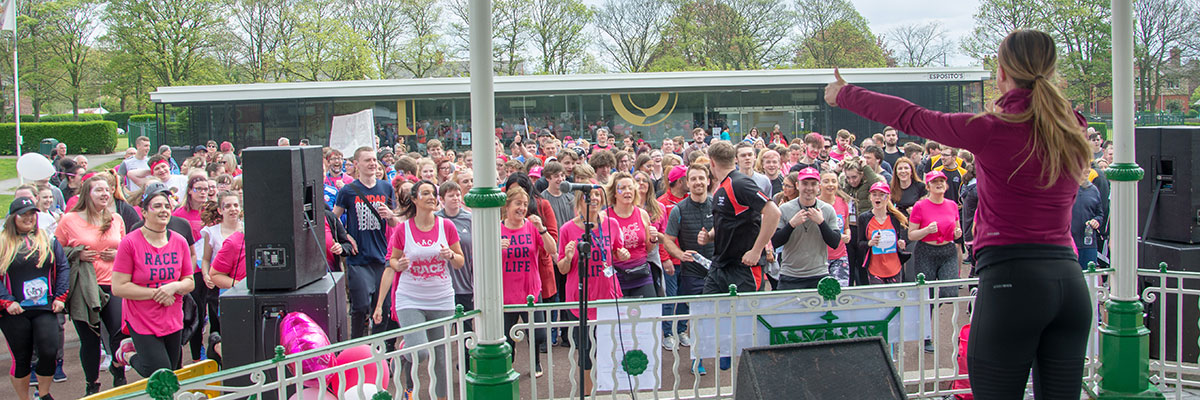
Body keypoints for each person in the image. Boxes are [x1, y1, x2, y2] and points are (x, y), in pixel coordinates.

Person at [825, 29, 1094, 398]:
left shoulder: (992, 128)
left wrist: (847, 94)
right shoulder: (1072, 126)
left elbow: (913, 117)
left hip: (1013, 280)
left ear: (1001, 72)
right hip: (1070, 283)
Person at [372, 180, 463, 400]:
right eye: (426, 193)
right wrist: (398, 265)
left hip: (441, 298)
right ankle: (406, 352)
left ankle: (441, 397)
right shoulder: (403, 229)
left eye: (434, 193)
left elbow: (460, 261)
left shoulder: (446, 227)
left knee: (441, 355)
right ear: (414, 199)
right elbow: (392, 261)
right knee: (420, 352)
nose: (432, 197)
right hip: (410, 298)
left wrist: (450, 256)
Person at [110, 187, 195, 379]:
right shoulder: (130, 243)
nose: (164, 210)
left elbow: (189, 282)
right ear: (144, 212)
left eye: (167, 206)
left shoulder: (179, 241)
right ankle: (127, 354)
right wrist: (158, 293)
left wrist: (174, 287)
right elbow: (119, 287)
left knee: (171, 372)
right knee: (158, 371)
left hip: (172, 315)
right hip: (142, 317)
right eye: (157, 206)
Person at [55, 175, 128, 394]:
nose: (105, 194)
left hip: (113, 284)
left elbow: (126, 248)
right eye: (99, 190)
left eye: (107, 190)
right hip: (84, 288)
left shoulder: (116, 219)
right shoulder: (69, 220)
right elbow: (56, 253)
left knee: (119, 332)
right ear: (87, 194)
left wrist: (117, 253)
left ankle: (119, 374)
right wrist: (76, 254)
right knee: (89, 339)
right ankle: (92, 384)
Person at [556, 181, 627, 395]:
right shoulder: (567, 229)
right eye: (589, 196)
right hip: (581, 299)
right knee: (585, 352)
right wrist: (568, 258)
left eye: (597, 195)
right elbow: (561, 268)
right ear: (579, 202)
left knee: (609, 348)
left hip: (608, 295)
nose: (593, 199)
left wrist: (622, 254)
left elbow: (617, 252)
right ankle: (587, 392)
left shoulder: (612, 224)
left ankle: (611, 390)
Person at [0, 197, 69, 400]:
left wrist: (60, 296)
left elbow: (63, 267)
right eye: (23, 214)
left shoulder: (47, 239)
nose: (28, 218)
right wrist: (7, 301)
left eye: (32, 214)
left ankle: (44, 394)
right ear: (13, 217)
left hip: (45, 307)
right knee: (22, 357)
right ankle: (24, 398)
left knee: (49, 351)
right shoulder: (3, 242)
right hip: (14, 311)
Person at [699, 142, 780, 294]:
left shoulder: (739, 183)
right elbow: (728, 221)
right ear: (735, 159)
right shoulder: (721, 187)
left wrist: (756, 250)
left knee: (745, 315)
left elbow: (773, 212)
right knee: (708, 312)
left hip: (743, 267)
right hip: (720, 265)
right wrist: (710, 236)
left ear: (712, 162)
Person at [334, 147, 399, 338]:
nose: (372, 164)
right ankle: (357, 344)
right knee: (360, 306)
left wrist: (390, 215)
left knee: (383, 307)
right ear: (356, 165)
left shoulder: (385, 188)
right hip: (358, 258)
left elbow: (395, 223)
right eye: (367, 160)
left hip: (381, 256)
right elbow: (333, 217)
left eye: (374, 160)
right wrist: (345, 235)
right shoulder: (348, 191)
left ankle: (380, 348)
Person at [661, 163, 714, 374]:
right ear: (687, 183)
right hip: (692, 272)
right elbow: (668, 239)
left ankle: (723, 353)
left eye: (702, 178)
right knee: (698, 316)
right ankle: (697, 358)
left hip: (717, 269)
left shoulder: (718, 205)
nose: (698, 182)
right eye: (694, 179)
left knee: (718, 314)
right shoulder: (678, 210)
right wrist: (679, 254)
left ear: (708, 180)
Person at [499, 186, 555, 377]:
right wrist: (496, 248)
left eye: (524, 204)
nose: (522, 208)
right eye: (518, 204)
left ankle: (536, 362)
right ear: (507, 205)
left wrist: (542, 229)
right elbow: (483, 260)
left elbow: (552, 249)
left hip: (530, 289)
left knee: (538, 334)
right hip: (507, 292)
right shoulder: (497, 229)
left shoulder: (531, 227)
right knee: (507, 336)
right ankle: (510, 362)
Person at [772, 167, 840, 290]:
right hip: (790, 275)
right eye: (805, 184)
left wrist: (821, 222)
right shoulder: (784, 209)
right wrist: (791, 224)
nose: (809, 188)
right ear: (797, 185)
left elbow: (835, 242)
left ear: (818, 187)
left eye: (813, 184)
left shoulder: (827, 209)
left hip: (818, 274)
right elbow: (775, 242)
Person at [605, 172, 658, 298]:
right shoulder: (604, 217)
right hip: (616, 275)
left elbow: (648, 248)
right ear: (614, 193)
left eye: (630, 187)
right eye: (622, 188)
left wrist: (653, 239)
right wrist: (615, 254)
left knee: (650, 313)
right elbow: (602, 250)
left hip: (641, 273)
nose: (627, 191)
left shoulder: (642, 214)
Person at [853, 182, 909, 285]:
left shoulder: (894, 218)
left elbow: (901, 239)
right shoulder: (864, 218)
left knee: (895, 298)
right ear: (870, 198)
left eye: (881, 195)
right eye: (874, 195)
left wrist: (901, 243)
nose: (877, 198)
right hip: (875, 268)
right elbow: (860, 244)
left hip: (894, 266)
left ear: (887, 198)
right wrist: (870, 243)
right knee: (879, 298)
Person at [818, 171, 853, 287]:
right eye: (826, 181)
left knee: (840, 292)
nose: (830, 185)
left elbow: (846, 227)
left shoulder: (842, 202)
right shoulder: (815, 204)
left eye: (833, 181)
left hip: (840, 255)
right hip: (820, 257)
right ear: (820, 185)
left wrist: (847, 235)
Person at [1070, 169, 1103, 270]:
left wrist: (1096, 221)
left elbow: (1100, 214)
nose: (1087, 170)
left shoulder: (1094, 190)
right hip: (1069, 243)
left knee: (1089, 278)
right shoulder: (1065, 189)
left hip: (1088, 243)